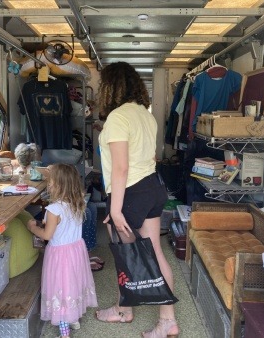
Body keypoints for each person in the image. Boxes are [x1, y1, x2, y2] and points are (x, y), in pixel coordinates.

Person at [95, 61, 179, 338]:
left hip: (129, 192)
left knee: (126, 256)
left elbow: (120, 168)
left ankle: (123, 311)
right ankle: (168, 321)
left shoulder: (118, 117)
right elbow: (149, 157)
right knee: (154, 252)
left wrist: (115, 209)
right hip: (152, 187)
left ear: (110, 87)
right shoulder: (146, 114)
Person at [26, 163, 98, 338]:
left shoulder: (54, 209)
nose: (48, 185)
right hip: (75, 252)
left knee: (61, 288)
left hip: (60, 256)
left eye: (50, 182)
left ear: (59, 185)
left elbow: (47, 235)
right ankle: (74, 319)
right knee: (73, 284)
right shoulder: (78, 203)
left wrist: (31, 228)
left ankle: (64, 333)